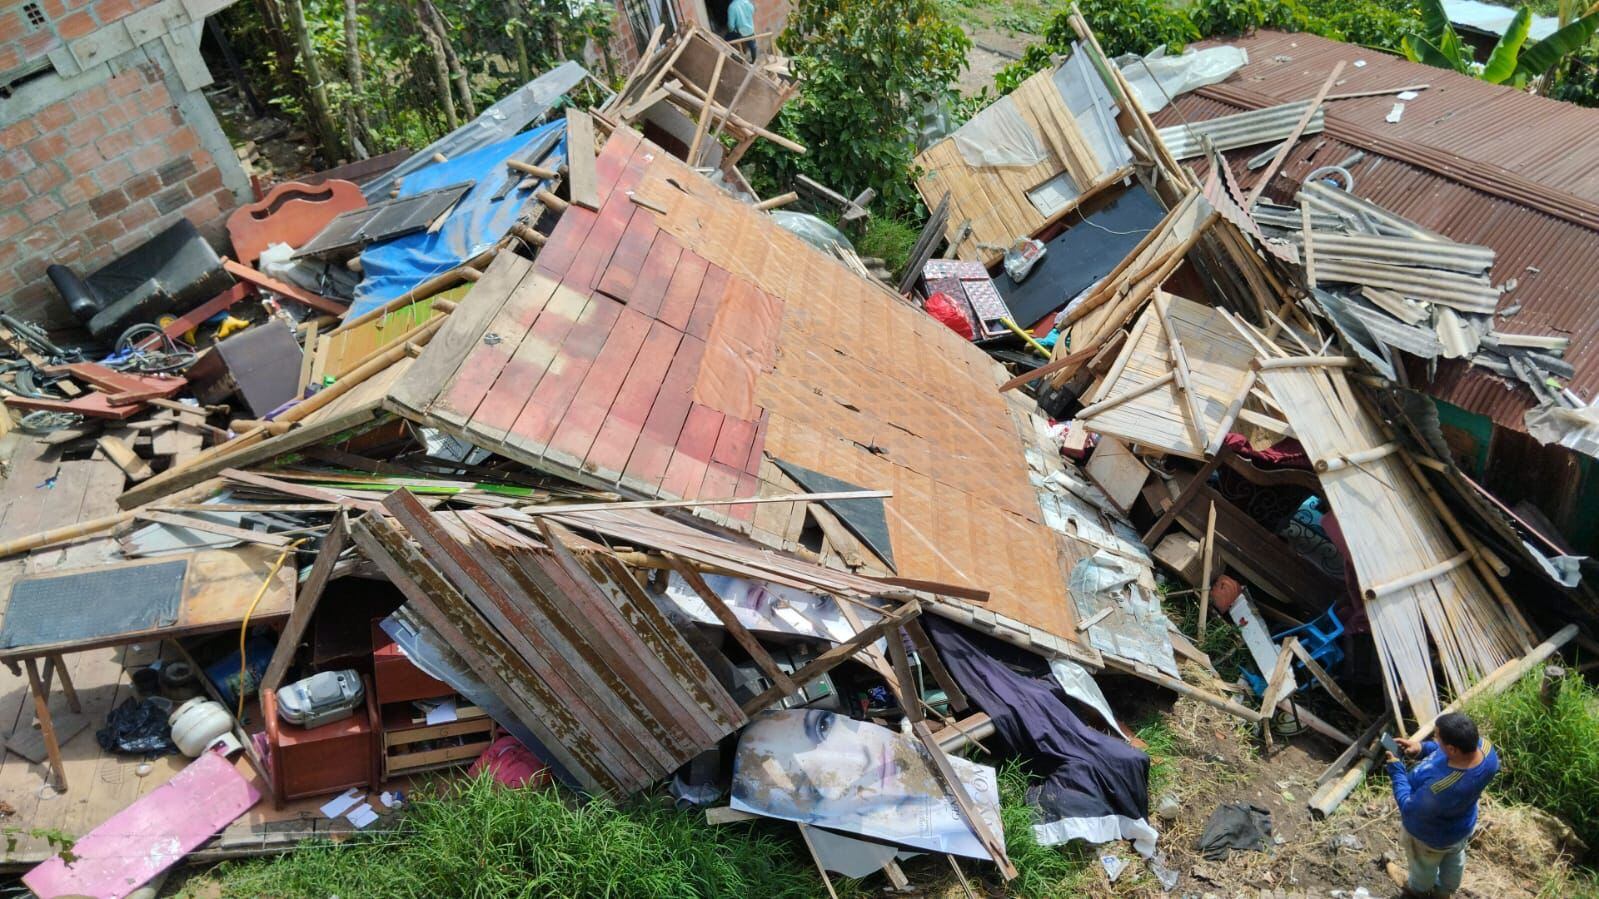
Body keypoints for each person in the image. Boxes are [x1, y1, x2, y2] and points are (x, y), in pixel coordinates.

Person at [1384, 712, 1500, 898]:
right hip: (1460, 829)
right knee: (1452, 871)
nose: (1435, 739)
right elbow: (1442, 752)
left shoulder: (1442, 787)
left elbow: (1408, 807)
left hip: (1429, 838)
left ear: (1452, 749)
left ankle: (1417, 891)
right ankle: (1443, 893)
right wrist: (1421, 748)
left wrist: (1396, 769)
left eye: (1437, 738)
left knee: (1423, 873)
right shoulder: (1487, 752)